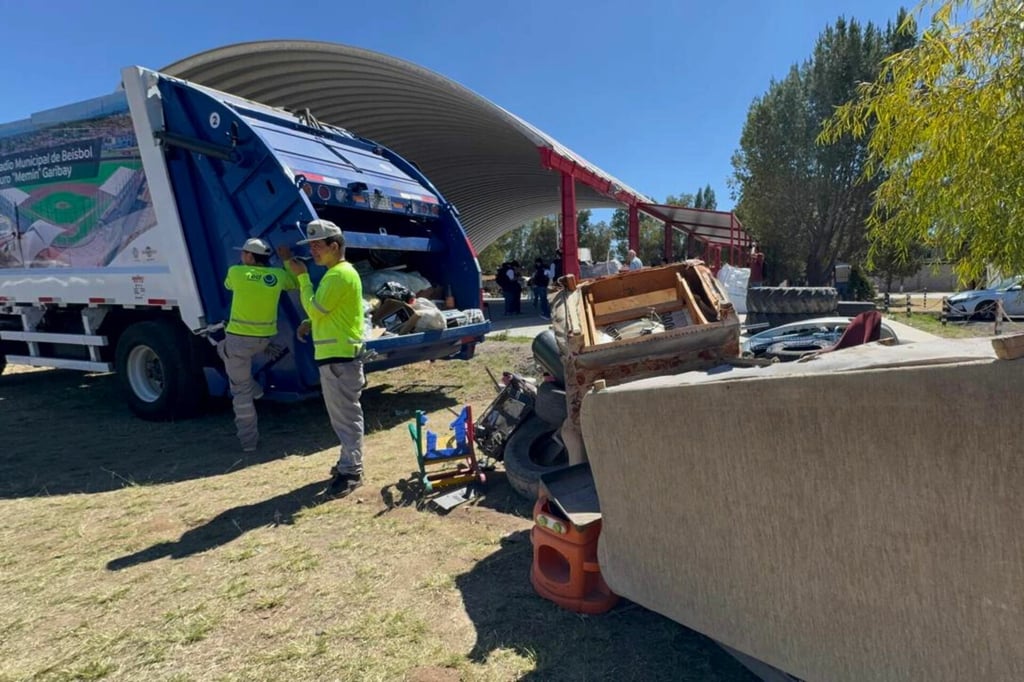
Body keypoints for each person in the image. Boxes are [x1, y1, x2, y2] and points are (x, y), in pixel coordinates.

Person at [284, 219, 366, 498]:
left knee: (345, 418)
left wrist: (302, 277)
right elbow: (329, 313)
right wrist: (311, 321)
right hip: (339, 356)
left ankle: (352, 471)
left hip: (339, 358)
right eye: (312, 247)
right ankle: (348, 463)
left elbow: (317, 307)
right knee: (344, 416)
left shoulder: (336, 275)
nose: (313, 252)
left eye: (318, 246)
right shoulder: (341, 274)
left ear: (335, 245)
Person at [219, 237, 298, 452]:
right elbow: (295, 281)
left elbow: (228, 286)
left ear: (251, 257)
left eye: (244, 253)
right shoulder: (278, 276)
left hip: (238, 342)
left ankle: (248, 442)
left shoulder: (236, 272)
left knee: (240, 392)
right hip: (263, 341)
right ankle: (256, 389)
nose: (241, 256)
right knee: (227, 355)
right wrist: (287, 260)